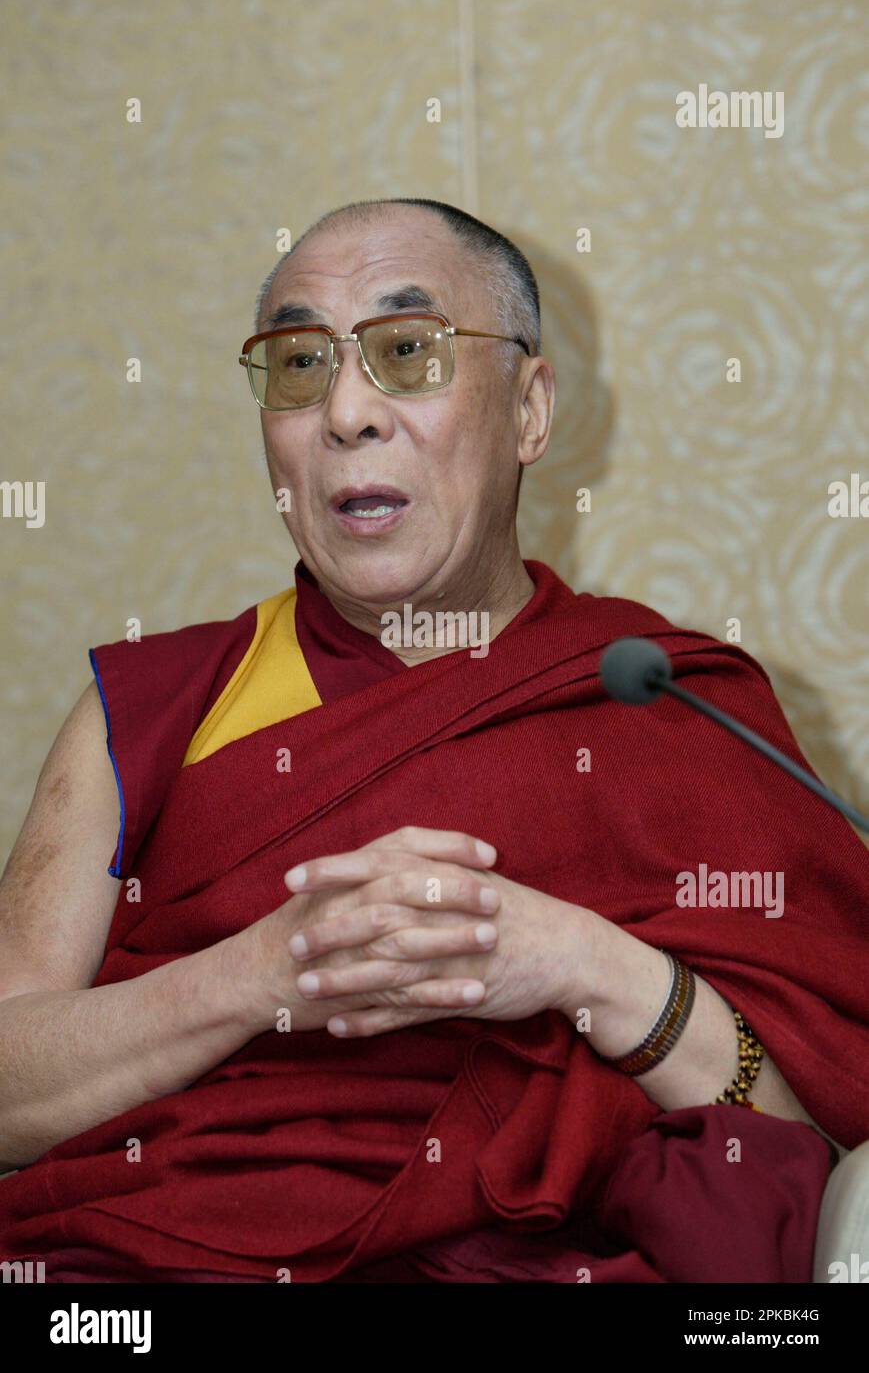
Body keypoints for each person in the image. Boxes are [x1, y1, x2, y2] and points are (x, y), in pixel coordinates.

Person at [0, 198, 866, 1284]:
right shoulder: (156, 704)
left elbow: (811, 1136)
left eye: (406, 351)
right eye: (300, 362)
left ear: (529, 412)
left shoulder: (671, 704)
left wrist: (576, 960)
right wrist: (266, 970)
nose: (346, 412)